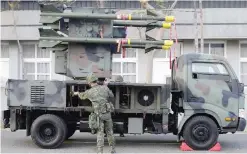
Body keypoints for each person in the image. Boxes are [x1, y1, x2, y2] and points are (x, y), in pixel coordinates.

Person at [72, 73, 116, 154]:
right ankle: (113, 150)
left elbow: (81, 96)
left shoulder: (90, 92)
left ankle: (100, 152)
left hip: (99, 115)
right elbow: (112, 95)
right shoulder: (105, 88)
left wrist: (76, 93)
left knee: (100, 134)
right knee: (110, 132)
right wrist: (106, 86)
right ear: (96, 80)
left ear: (89, 82)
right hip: (107, 115)